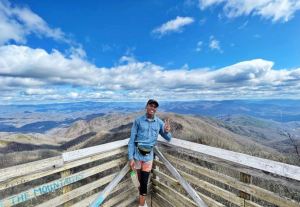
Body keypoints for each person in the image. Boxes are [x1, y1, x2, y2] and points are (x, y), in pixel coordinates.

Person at [128, 99, 172, 207]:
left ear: (156, 109)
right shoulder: (138, 121)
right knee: (139, 182)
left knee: (144, 182)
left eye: (155, 106)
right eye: (150, 105)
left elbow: (169, 138)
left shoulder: (159, 123)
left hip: (148, 158)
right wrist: (131, 157)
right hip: (137, 157)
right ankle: (143, 202)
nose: (152, 108)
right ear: (146, 107)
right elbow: (132, 140)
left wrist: (166, 131)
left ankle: (141, 205)